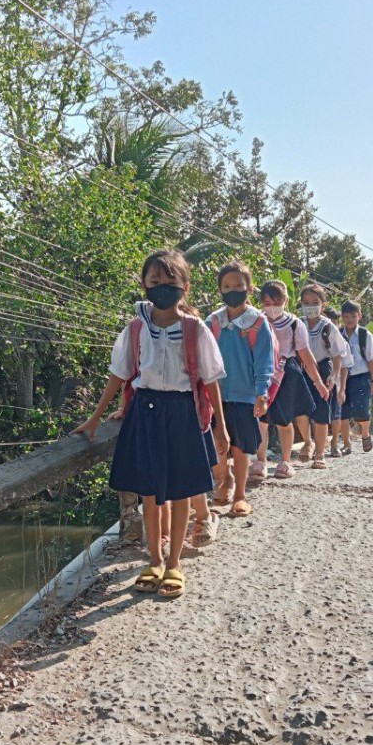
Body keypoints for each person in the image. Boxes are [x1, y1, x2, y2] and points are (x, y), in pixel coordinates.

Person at [73, 250, 229, 599]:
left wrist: (221, 426)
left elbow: (210, 379)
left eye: (170, 280)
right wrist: (95, 417)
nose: (162, 287)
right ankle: (154, 560)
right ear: (144, 284)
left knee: (180, 492)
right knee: (150, 493)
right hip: (146, 413)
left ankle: (174, 563)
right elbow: (120, 374)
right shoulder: (136, 328)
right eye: (155, 280)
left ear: (185, 286)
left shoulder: (195, 329)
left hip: (182, 413)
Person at [207, 260, 274, 517]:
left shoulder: (258, 322)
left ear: (249, 288)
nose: (232, 290)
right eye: (226, 286)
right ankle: (223, 480)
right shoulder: (212, 322)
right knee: (218, 444)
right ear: (219, 290)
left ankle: (240, 495)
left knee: (240, 447)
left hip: (244, 395)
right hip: (215, 394)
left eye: (238, 285)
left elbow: (265, 361)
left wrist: (262, 393)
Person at [253, 279, 328, 479]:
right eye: (267, 303)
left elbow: (305, 354)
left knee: (284, 421)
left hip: (286, 376)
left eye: (276, 303)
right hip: (261, 374)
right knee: (260, 420)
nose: (272, 307)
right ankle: (260, 461)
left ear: (285, 300)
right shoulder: (256, 321)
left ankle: (285, 461)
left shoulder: (294, 324)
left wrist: (318, 382)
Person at [293, 283, 349, 470]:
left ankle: (319, 453)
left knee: (322, 414)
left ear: (323, 304)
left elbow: (337, 354)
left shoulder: (328, 327)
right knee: (301, 412)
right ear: (301, 303)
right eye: (306, 302)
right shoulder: (297, 324)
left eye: (315, 302)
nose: (310, 306)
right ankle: (308, 442)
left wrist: (334, 375)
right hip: (302, 369)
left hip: (323, 369)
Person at [337, 300, 373, 452]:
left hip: (361, 377)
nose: (349, 319)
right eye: (346, 316)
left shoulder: (364, 335)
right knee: (342, 412)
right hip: (342, 378)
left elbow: (371, 359)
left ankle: (365, 434)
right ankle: (346, 443)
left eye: (353, 316)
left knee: (361, 410)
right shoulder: (337, 334)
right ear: (342, 316)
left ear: (359, 316)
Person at [323, 306, 354, 458]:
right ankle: (318, 445)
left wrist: (342, 390)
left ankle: (334, 443)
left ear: (337, 324)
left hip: (336, 385)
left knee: (336, 416)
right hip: (318, 382)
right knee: (318, 416)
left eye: (332, 322)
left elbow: (345, 367)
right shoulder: (312, 338)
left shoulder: (342, 343)